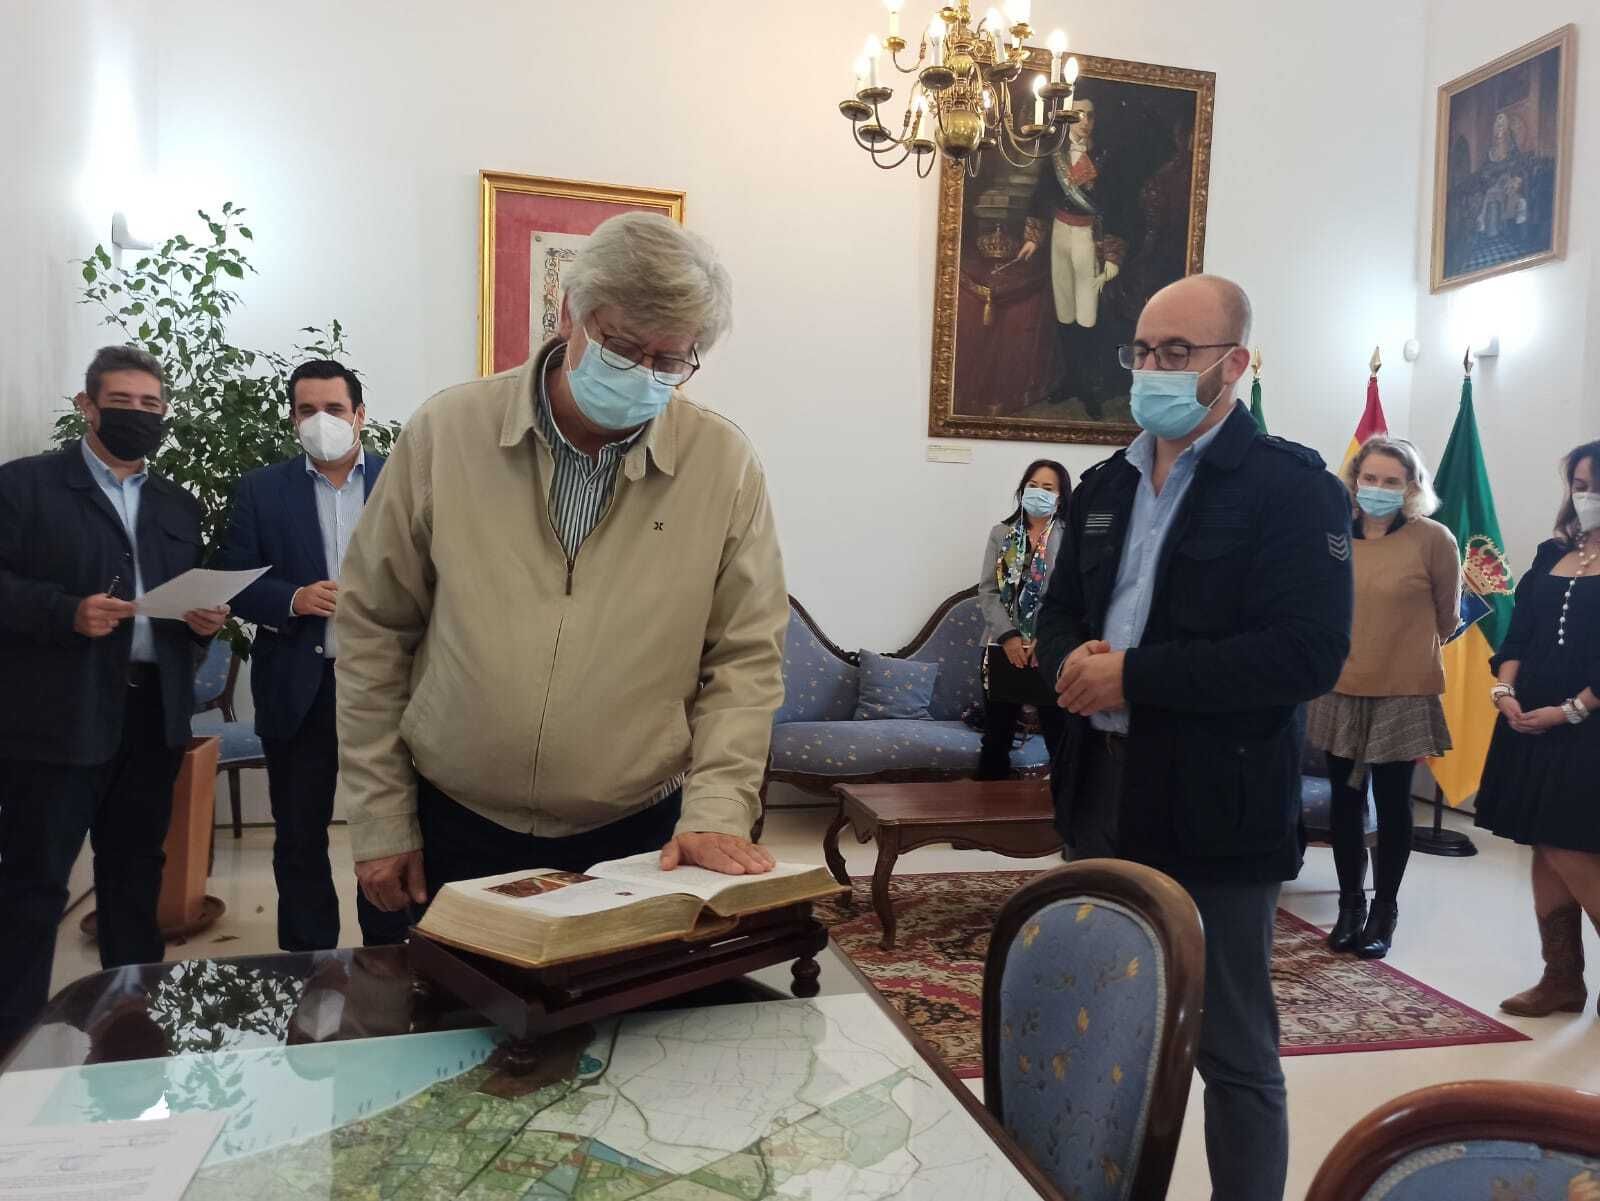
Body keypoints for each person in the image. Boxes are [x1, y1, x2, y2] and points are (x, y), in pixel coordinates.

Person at [336, 213, 788, 918]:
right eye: (623, 345)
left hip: (635, 836)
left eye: (670, 360)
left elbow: (745, 660)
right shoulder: (447, 434)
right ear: (568, 313)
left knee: (623, 1028)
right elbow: (373, 629)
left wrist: (718, 807)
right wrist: (379, 816)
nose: (643, 374)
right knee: (436, 1019)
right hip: (448, 823)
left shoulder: (722, 466)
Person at [1036, 275, 1353, 1201]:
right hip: (1101, 794)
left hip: (1219, 808)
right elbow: (1056, 616)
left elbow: (1305, 654)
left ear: (1235, 364)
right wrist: (1073, 659)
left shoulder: (1292, 490)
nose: (1154, 370)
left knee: (1234, 1049)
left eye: (1179, 353)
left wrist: (1132, 675)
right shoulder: (1104, 483)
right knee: (1099, 1027)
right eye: (1143, 351)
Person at [0, 346, 229, 1049]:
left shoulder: (176, 505)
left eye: (151, 406)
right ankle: (13, 1038)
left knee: (136, 877)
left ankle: (132, 1031)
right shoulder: (26, 488)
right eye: (122, 404)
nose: (138, 416)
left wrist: (201, 620)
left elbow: (183, 595)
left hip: (148, 714)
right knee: (35, 887)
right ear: (87, 406)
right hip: (56, 718)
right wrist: (64, 610)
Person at [213, 360, 411, 952]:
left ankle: (390, 956)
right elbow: (232, 578)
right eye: (307, 410)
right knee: (298, 836)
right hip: (300, 687)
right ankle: (308, 967)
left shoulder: (402, 479)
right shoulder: (261, 489)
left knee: (394, 833)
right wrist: (293, 598)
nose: (320, 421)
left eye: (334, 409)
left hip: (390, 689)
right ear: (292, 417)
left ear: (360, 416)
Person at [1307, 436, 1459, 959]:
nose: (1377, 489)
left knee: (1394, 805)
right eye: (1369, 478)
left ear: (1412, 488)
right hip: (1340, 687)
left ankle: (1383, 909)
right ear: (1353, 481)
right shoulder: (1331, 535)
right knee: (1345, 803)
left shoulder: (1434, 540)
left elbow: (1448, 618)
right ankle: (1350, 904)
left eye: (1391, 481)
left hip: (1402, 690)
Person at [1476, 440, 1600, 1018]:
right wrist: (1505, 691)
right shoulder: (1552, 552)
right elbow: (1518, 634)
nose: (1586, 496)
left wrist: (1574, 708)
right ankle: (1562, 979)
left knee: (1569, 842)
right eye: (1578, 484)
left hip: (1586, 728)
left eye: (1596, 485)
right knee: (1544, 845)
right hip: (1528, 721)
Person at [1014, 99, 1127, 415]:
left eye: (1090, 115)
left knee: (1087, 315)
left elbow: (1119, 208)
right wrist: (1033, 239)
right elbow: (1041, 196)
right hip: (1059, 236)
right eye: (1078, 115)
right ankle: (1072, 380)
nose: (1085, 121)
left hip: (1090, 239)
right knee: (1064, 311)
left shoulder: (1108, 158)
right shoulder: (1056, 156)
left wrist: (1114, 258)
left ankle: (1090, 385)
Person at [976, 459, 1071, 779]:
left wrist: (1045, 639)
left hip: (1051, 648)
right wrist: (1010, 636)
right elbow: (988, 591)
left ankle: (1062, 815)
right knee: (996, 736)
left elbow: (1074, 596)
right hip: (1004, 647)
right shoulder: (1000, 533)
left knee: (1060, 735)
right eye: (1033, 486)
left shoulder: (1071, 537)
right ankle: (988, 813)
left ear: (1061, 496)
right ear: (1022, 490)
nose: (1038, 493)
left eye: (1048, 488)